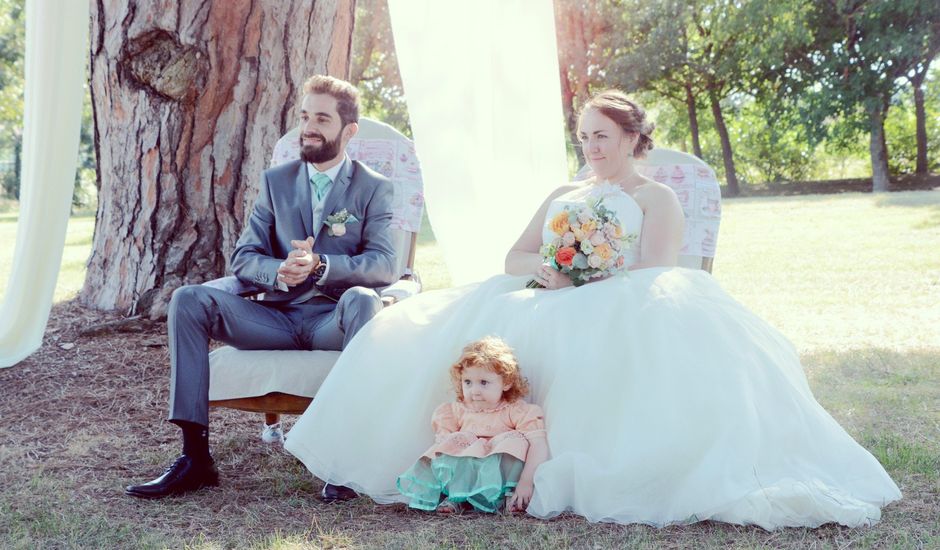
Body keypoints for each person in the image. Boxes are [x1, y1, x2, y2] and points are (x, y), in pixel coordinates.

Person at [284, 90, 901, 528]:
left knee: (595, 340)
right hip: (548, 293)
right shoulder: (564, 192)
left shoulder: (656, 197)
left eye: (602, 136)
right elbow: (513, 257)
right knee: (429, 331)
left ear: (632, 138)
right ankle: (458, 461)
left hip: (626, 301)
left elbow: (658, 273)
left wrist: (595, 273)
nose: (591, 147)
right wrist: (550, 270)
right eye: (583, 137)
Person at [125, 75, 400, 500]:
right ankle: (195, 458)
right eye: (305, 116)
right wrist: (279, 271)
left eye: (321, 119)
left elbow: (384, 264)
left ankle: (348, 459)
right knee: (188, 299)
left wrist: (321, 265)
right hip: (274, 318)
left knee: (364, 299)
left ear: (349, 131)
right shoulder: (276, 181)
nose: (308, 127)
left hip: (333, 319)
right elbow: (244, 257)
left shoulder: (375, 188)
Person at [397, 336, 548, 514]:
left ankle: (508, 495)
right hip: (467, 476)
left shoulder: (517, 411)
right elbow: (443, 452)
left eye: (484, 382)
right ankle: (458, 497)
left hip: (501, 478)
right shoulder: (455, 411)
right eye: (468, 382)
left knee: (515, 440)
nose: (474, 391)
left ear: (506, 383)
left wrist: (526, 482)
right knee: (458, 442)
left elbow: (539, 445)